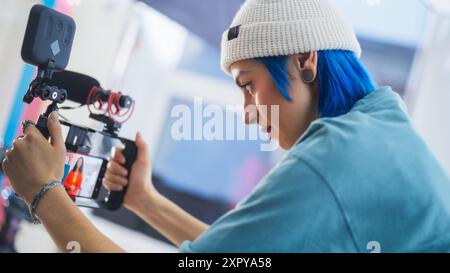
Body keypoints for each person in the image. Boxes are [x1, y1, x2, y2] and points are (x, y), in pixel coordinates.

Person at [3, 0, 450, 253]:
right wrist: (145, 201)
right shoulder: (380, 127)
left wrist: (44, 192)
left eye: (248, 84)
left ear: (305, 61)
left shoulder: (332, 163)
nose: (249, 111)